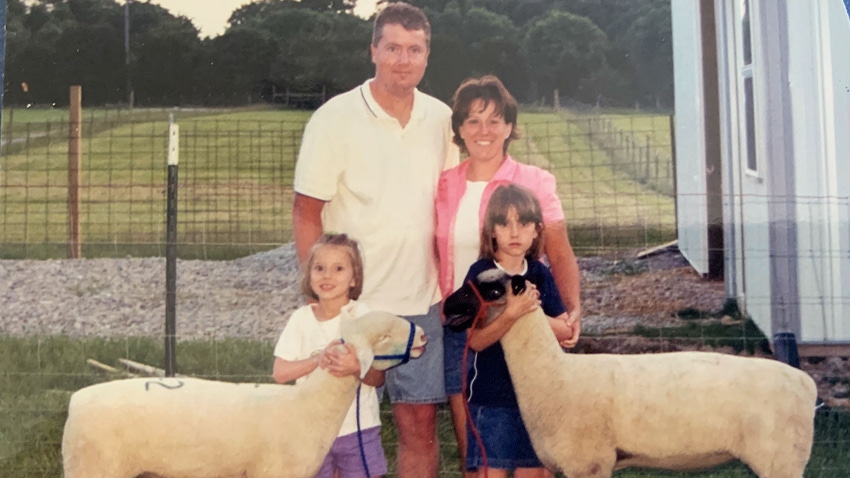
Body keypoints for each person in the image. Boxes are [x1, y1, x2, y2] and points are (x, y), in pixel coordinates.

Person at [292, 3, 458, 477]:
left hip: (420, 302)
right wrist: (321, 298)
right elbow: (306, 213)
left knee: (419, 426)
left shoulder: (441, 120)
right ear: (373, 51)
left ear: (427, 56)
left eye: (414, 49)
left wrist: (448, 287)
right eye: (392, 48)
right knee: (335, 428)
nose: (403, 60)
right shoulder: (334, 118)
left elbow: (449, 211)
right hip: (354, 310)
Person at [434, 75, 582, 477]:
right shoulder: (444, 184)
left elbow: (560, 252)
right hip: (468, 329)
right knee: (480, 454)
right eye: (473, 121)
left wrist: (571, 313)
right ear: (460, 130)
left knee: (538, 450)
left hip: (531, 329)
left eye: (495, 120)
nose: (484, 131)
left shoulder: (535, 181)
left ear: (510, 127)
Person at [461, 183, 573, 478]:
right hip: (493, 398)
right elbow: (476, 341)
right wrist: (510, 314)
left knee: (535, 473)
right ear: (491, 230)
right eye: (504, 223)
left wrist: (530, 312)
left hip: (538, 401)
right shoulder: (481, 275)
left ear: (537, 230)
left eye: (523, 224)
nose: (514, 233)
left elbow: (564, 331)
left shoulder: (540, 273)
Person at [272, 233, 387, 478]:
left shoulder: (363, 316)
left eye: (338, 269)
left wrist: (357, 367)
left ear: (354, 278)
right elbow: (280, 373)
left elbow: (378, 378)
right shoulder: (301, 320)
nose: (327, 276)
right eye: (319, 268)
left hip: (357, 428)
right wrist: (318, 360)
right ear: (308, 274)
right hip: (310, 431)